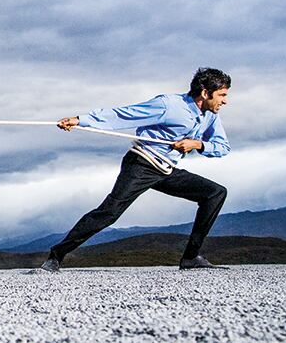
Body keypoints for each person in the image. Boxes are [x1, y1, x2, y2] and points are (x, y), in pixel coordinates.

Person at [40, 67, 231, 272]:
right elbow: (124, 115)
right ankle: (56, 256)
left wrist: (198, 145)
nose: (225, 101)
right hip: (141, 164)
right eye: (222, 95)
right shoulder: (169, 105)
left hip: (166, 170)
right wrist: (80, 120)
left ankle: (191, 258)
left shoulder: (210, 115)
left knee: (215, 193)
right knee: (109, 213)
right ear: (205, 93)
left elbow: (222, 147)